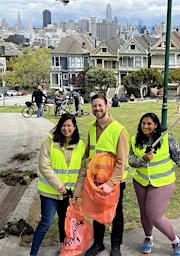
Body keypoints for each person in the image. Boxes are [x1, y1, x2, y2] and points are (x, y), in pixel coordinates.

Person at [129, 112, 180, 256]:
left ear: (156, 125)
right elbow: (131, 161)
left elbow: (178, 157)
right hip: (141, 181)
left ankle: (175, 241)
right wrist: (143, 159)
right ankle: (148, 237)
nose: (146, 126)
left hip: (162, 182)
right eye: (143, 123)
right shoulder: (134, 139)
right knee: (144, 212)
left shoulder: (166, 138)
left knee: (155, 215)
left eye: (149, 123)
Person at [74, 93, 129, 256]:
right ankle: (98, 243)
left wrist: (111, 183)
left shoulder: (119, 130)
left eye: (100, 105)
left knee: (116, 214)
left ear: (107, 106)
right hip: (96, 181)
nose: (97, 109)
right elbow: (89, 151)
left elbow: (122, 162)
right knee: (97, 212)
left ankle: (116, 245)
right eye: (94, 106)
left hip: (114, 182)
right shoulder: (92, 126)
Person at [30, 114, 85, 256]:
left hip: (68, 193)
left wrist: (76, 194)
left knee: (64, 223)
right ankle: (33, 253)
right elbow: (44, 167)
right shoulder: (48, 142)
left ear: (75, 127)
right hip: (49, 192)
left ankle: (64, 250)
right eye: (63, 125)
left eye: (69, 126)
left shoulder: (80, 145)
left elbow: (82, 172)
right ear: (59, 126)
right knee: (46, 222)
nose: (66, 129)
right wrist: (60, 186)